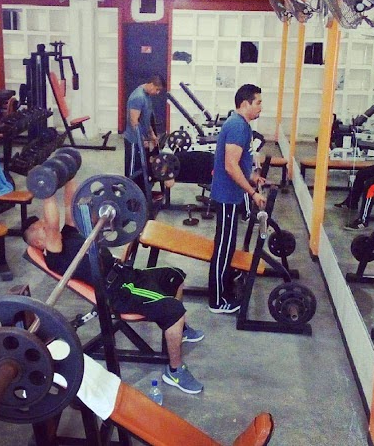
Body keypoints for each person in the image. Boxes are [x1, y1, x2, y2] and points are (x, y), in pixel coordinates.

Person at [23, 177, 204, 395]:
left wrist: (69, 174)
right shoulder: (55, 256)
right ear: (39, 243)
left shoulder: (68, 234)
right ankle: (174, 371)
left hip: (126, 275)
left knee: (174, 276)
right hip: (119, 292)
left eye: (45, 223)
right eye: (43, 228)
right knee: (174, 310)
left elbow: (72, 205)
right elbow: (53, 225)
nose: (48, 224)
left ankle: (179, 330)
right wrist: (47, 191)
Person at [208, 84, 266, 313]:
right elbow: (230, 166)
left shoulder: (242, 125)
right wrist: (252, 193)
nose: (261, 107)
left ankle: (224, 288)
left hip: (231, 195)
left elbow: (240, 164)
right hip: (227, 196)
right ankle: (217, 301)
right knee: (223, 247)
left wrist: (253, 178)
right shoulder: (237, 126)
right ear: (245, 104)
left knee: (228, 245)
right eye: (258, 102)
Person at [123, 74, 165, 183]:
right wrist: (142, 139)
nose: (158, 93)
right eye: (157, 89)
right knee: (132, 172)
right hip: (133, 140)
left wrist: (152, 135)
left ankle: (140, 191)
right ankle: (129, 191)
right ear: (151, 84)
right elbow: (134, 121)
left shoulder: (147, 96)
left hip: (141, 139)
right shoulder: (138, 97)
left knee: (141, 169)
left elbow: (146, 119)